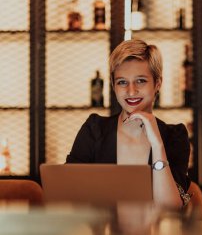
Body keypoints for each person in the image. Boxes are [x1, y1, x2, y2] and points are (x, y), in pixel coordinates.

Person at [66, 39, 191, 209]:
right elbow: (66, 191)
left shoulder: (174, 136)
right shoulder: (94, 129)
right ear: (113, 86)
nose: (131, 91)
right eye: (122, 82)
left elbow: (170, 207)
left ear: (157, 84)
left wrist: (157, 145)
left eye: (140, 81)